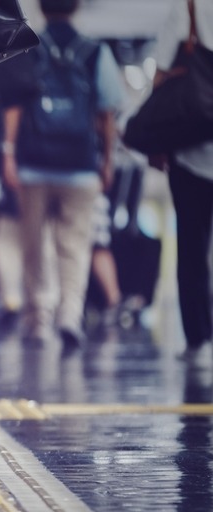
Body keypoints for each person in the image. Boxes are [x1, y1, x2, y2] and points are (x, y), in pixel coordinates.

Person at [1, 0, 124, 351]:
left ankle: (38, 320)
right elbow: (106, 113)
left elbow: (15, 106)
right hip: (81, 167)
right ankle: (70, 315)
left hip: (33, 164)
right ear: (77, 8)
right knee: (75, 247)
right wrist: (108, 161)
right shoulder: (95, 52)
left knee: (34, 245)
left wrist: (8, 153)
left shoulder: (28, 48)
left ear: (41, 7)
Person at [151, 0, 213, 368]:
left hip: (191, 151)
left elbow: (161, 76)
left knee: (191, 247)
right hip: (192, 155)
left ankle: (199, 341)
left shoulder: (187, 9)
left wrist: (158, 140)